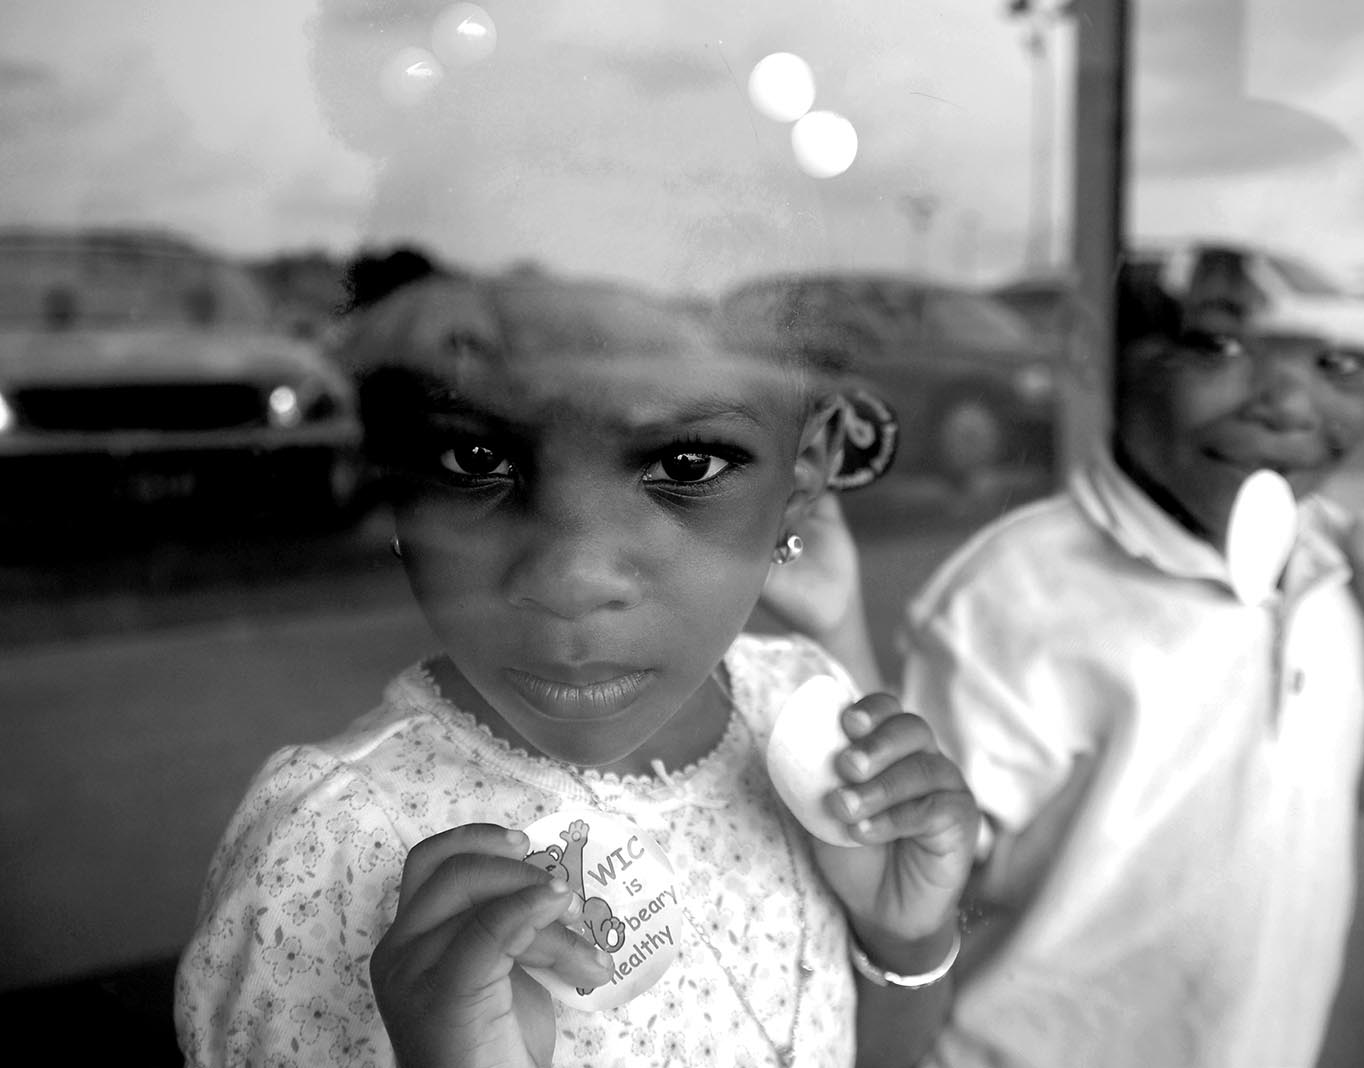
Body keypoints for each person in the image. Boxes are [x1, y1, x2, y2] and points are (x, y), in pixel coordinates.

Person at [173, 268, 979, 1068]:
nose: (570, 578)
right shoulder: (327, 848)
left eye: (687, 465)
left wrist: (904, 936)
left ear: (803, 473)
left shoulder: (805, 723)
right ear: (392, 480)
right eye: (472, 456)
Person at [785, 251, 1364, 1068]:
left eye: (1340, 363)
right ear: (1107, 359)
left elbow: (1345, 790)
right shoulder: (1015, 599)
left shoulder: (1338, 562)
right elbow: (908, 884)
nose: (1290, 404)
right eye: (1219, 346)